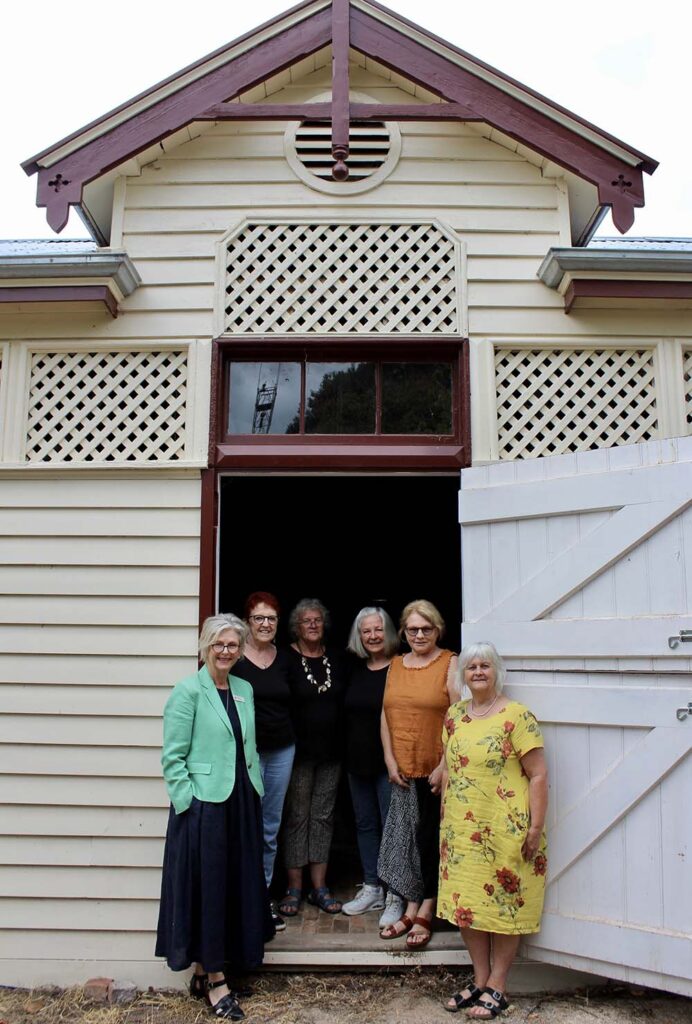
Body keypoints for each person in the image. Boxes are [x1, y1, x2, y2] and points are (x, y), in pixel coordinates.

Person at [155, 614, 274, 1021]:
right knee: (206, 888)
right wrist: (188, 802)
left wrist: (254, 788)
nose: (226, 652)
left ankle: (209, 968)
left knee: (231, 885)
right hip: (204, 805)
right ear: (205, 647)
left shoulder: (243, 688)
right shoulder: (187, 691)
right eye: (219, 645)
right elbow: (172, 758)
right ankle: (217, 980)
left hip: (241, 800)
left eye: (233, 646)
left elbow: (248, 745)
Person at [439, 642, 548, 1019]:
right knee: (468, 904)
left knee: (503, 907)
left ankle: (499, 984)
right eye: (471, 667)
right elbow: (451, 770)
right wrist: (444, 822)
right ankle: (480, 978)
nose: (479, 672)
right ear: (463, 676)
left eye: (485, 665)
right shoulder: (454, 715)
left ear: (497, 671)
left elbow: (538, 774)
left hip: (506, 829)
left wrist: (535, 827)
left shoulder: (517, 716)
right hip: (460, 830)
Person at [378, 599, 458, 949]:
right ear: (404, 632)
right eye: (413, 629)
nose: (420, 634)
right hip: (403, 769)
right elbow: (385, 714)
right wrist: (390, 760)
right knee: (405, 841)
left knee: (429, 841)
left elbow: (458, 718)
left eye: (426, 629)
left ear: (438, 630)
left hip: (434, 771)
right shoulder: (396, 664)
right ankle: (411, 902)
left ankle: (427, 906)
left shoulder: (449, 663)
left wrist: (445, 766)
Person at [280, 598, 347, 916]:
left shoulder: (336, 658)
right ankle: (294, 888)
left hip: (331, 753)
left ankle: (319, 887)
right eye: (306, 620)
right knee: (297, 818)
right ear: (296, 625)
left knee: (323, 817)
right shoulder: (286, 658)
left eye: (318, 620)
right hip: (297, 754)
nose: (312, 625)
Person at [232, 592, 295, 933]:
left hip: (282, 751)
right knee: (244, 825)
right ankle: (241, 900)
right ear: (247, 622)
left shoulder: (284, 659)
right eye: (259, 618)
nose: (266, 624)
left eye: (271, 618)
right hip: (245, 754)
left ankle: (261, 900)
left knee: (270, 828)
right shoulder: (234, 659)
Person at [341, 606, 404, 926]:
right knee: (366, 826)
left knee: (393, 828)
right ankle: (372, 887)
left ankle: (395, 894)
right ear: (359, 636)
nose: (373, 636)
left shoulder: (401, 668)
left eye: (378, 629)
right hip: (357, 762)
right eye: (366, 631)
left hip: (390, 763)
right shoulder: (353, 668)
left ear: (388, 631)